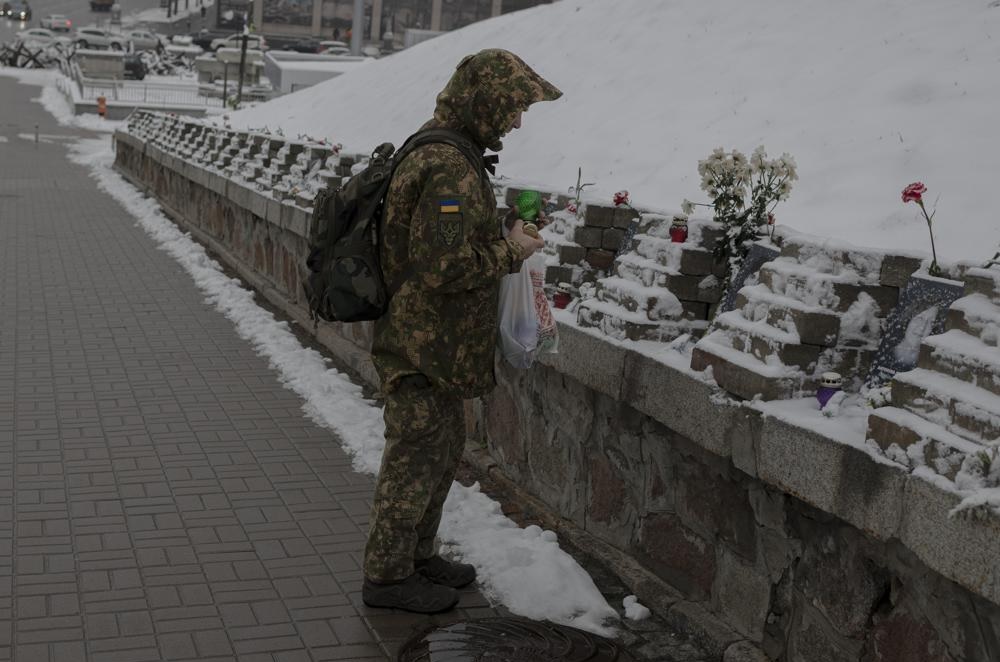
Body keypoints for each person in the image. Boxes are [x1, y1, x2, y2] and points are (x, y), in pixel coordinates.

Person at [362, 49, 561, 614]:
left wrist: (500, 229)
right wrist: (511, 249)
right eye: (514, 107)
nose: (518, 120)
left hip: (438, 348)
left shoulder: (452, 148)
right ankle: (386, 576)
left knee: (442, 452)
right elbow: (439, 267)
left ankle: (417, 558)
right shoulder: (448, 163)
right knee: (415, 456)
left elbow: (442, 241)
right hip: (422, 346)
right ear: (485, 100)